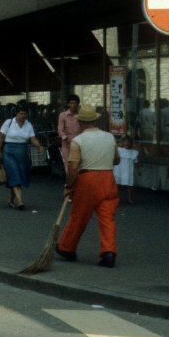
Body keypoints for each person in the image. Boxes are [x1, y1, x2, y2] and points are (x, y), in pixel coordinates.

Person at [57, 103, 121, 267]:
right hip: (107, 177)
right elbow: (116, 159)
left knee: (79, 215)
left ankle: (66, 247)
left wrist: (69, 185)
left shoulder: (78, 140)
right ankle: (108, 252)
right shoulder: (109, 137)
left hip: (87, 179)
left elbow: (73, 167)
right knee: (107, 217)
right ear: (95, 121)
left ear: (80, 122)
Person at [0, 103, 46, 210]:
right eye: (20, 113)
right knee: (14, 173)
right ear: (16, 113)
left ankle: (11, 199)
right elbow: (1, 137)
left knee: (19, 174)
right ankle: (20, 201)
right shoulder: (8, 122)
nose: (22, 116)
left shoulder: (28, 125)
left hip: (22, 151)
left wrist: (39, 146)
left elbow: (32, 138)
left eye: (25, 114)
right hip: (8, 150)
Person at [113, 135, 139, 204]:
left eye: (128, 141)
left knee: (129, 185)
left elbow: (136, 162)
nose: (126, 143)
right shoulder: (118, 150)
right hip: (118, 169)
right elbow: (114, 159)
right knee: (116, 185)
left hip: (128, 170)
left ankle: (129, 198)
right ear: (122, 142)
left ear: (131, 143)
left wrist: (138, 170)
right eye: (125, 141)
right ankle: (115, 199)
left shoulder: (133, 152)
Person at [58, 94, 82, 168]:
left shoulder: (81, 115)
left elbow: (84, 129)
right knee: (68, 165)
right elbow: (60, 130)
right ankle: (69, 179)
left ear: (78, 104)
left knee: (79, 165)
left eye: (75, 103)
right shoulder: (63, 115)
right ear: (68, 104)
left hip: (79, 142)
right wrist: (66, 138)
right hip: (66, 144)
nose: (73, 105)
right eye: (71, 103)